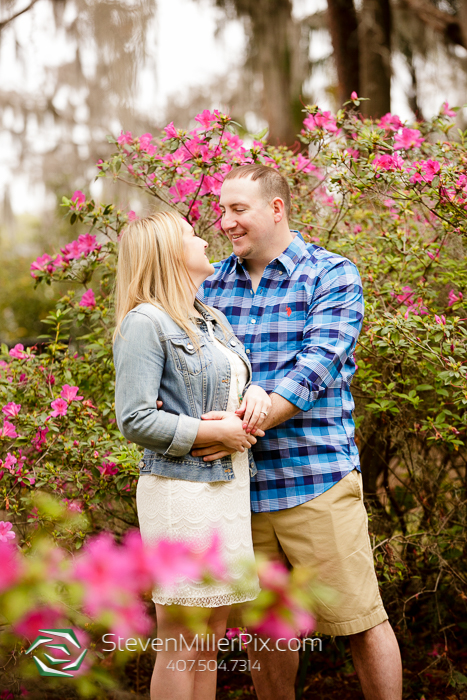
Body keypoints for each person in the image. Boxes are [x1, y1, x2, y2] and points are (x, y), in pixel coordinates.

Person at [194, 164, 403, 700]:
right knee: (267, 627)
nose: (226, 222)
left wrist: (253, 413)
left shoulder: (332, 274)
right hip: (241, 487)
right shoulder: (210, 284)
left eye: (238, 209)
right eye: (222, 210)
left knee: (359, 619)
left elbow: (319, 364)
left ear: (276, 208)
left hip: (316, 480)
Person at [112, 211, 270, 700]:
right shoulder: (145, 322)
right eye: (189, 234)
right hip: (181, 492)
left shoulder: (212, 319)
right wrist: (208, 431)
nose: (203, 238)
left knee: (210, 635)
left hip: (226, 488)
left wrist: (257, 393)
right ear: (167, 253)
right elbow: (134, 419)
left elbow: (222, 389)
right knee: (183, 638)